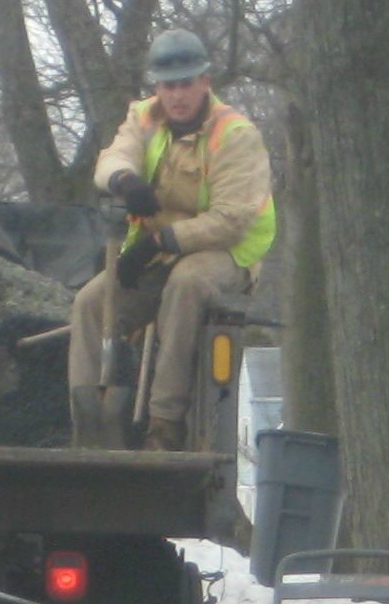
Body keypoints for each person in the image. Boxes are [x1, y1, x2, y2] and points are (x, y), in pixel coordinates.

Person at [68, 27, 275, 451]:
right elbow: (112, 157)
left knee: (186, 284)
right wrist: (124, 181)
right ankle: (91, 429)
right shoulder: (144, 116)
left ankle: (164, 424)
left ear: (205, 83)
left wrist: (159, 240)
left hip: (226, 254)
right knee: (90, 302)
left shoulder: (237, 135)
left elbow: (230, 220)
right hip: (160, 251)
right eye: (167, 86)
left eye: (185, 84)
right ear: (156, 86)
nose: (176, 95)